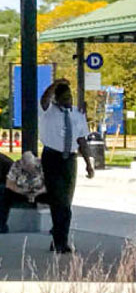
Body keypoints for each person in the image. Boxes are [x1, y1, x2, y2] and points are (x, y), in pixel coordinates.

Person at [37, 78, 95, 254]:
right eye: (64, 97)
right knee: (58, 201)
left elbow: (82, 140)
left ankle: (59, 237)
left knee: (66, 202)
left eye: (69, 97)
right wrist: (54, 84)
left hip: (69, 160)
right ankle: (60, 241)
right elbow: (44, 99)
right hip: (52, 157)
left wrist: (88, 163)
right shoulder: (48, 111)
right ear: (57, 98)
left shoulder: (77, 114)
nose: (68, 100)